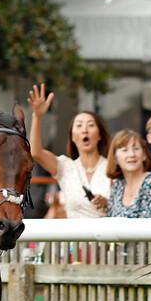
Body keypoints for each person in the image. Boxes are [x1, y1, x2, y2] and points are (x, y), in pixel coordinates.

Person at [28, 84, 111, 218]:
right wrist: (37, 117)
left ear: (99, 134)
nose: (85, 130)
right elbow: (36, 152)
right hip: (76, 237)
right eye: (79, 126)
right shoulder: (65, 166)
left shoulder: (111, 167)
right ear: (72, 137)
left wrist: (108, 203)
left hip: (106, 237)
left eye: (90, 125)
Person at [106, 129, 151, 218]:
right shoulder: (118, 185)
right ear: (115, 159)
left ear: (144, 155)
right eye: (125, 150)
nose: (131, 154)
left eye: (136, 148)